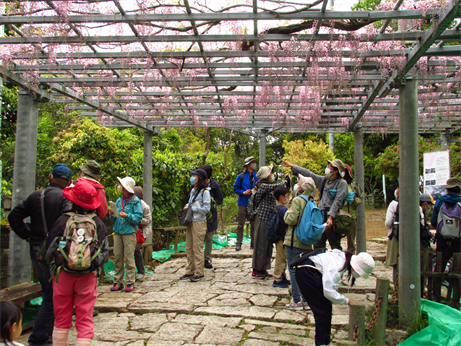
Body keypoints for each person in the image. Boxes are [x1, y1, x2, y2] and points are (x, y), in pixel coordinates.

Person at [8, 163, 72, 346]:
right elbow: (69, 222)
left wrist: (27, 235)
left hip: (36, 249)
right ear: (68, 182)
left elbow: (14, 216)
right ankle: (38, 338)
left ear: (51, 177)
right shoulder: (65, 198)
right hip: (57, 251)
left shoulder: (36, 196)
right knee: (53, 295)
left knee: (49, 291)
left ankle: (47, 332)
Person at [45, 180, 109, 346]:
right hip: (87, 277)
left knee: (61, 319)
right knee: (85, 319)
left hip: (63, 274)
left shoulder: (62, 221)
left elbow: (50, 249)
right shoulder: (98, 223)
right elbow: (105, 253)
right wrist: (92, 266)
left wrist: (54, 266)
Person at [294, 250, 375, 346]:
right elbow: (328, 291)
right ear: (355, 269)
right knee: (322, 310)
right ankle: (321, 343)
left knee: (326, 307)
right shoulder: (337, 268)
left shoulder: (344, 258)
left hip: (311, 271)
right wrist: (347, 301)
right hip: (306, 273)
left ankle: (326, 341)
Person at [282, 159, 348, 250]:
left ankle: (338, 263)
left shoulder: (342, 183)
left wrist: (331, 217)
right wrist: (292, 166)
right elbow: (309, 174)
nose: (327, 167)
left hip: (332, 217)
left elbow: (338, 200)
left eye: (330, 166)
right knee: (317, 243)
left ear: (336, 170)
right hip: (320, 215)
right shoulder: (324, 181)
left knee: (335, 245)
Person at [283, 174, 317, 310]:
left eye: (299, 183)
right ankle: (306, 299)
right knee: (305, 271)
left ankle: (296, 301)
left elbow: (291, 220)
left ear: (301, 187)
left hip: (295, 240)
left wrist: (286, 213)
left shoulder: (298, 200)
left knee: (293, 270)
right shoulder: (312, 201)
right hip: (307, 241)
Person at [252, 164, 290, 279]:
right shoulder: (262, 186)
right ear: (266, 175)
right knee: (260, 244)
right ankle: (256, 269)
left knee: (267, 245)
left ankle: (263, 268)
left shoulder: (267, 185)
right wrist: (284, 181)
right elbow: (274, 187)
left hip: (268, 218)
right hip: (261, 218)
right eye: (271, 173)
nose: (272, 175)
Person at [108, 177, 143, 292]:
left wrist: (127, 216)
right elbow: (114, 218)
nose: (121, 188)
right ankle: (118, 281)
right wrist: (112, 214)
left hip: (129, 232)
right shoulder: (119, 201)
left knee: (129, 258)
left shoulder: (135, 201)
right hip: (118, 232)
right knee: (117, 257)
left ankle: (130, 282)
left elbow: (138, 217)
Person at [431, 177, 461, 301]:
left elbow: (433, 222)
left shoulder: (439, 202)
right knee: (458, 271)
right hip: (459, 243)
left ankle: (435, 297)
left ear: (447, 190)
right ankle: (456, 299)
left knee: (439, 269)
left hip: (442, 242)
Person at [180, 168, 211, 282]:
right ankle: (190, 270)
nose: (192, 177)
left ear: (200, 178)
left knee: (197, 248)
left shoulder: (206, 192)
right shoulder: (193, 190)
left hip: (199, 222)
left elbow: (206, 209)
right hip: (190, 221)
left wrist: (193, 208)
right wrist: (187, 206)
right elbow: (190, 202)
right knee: (189, 247)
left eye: (195, 175)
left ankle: (199, 272)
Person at [199, 164, 224, 269]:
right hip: (199, 214)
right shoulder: (197, 184)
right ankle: (198, 259)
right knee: (199, 238)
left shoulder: (214, 184)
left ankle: (206, 259)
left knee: (209, 238)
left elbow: (220, 198)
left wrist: (213, 203)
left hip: (210, 216)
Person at [233, 156, 258, 251]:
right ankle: (238, 243)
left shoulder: (257, 176)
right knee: (240, 224)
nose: (254, 164)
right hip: (243, 202)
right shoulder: (241, 176)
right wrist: (243, 192)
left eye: (255, 162)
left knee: (253, 224)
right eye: (253, 162)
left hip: (254, 203)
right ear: (248, 165)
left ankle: (253, 243)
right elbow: (236, 189)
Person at [271, 186, 291, 288]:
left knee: (282, 257)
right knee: (281, 258)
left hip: (278, 236)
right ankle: (277, 278)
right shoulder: (283, 209)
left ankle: (282, 276)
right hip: (282, 237)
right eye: (287, 195)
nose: (288, 197)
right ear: (281, 197)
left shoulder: (277, 208)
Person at [342, 164, 364, 254]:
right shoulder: (336, 183)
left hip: (351, 215)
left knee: (351, 239)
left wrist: (353, 200)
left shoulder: (354, 185)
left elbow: (361, 199)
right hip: (339, 215)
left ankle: (351, 258)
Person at [133, 186, 153, 281]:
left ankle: (141, 272)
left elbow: (148, 220)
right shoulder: (129, 203)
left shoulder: (144, 206)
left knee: (136, 249)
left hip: (141, 232)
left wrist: (137, 219)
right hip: (131, 230)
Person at [385, 187, 399, 284]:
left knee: (396, 264)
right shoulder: (415, 203)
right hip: (412, 239)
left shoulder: (394, 204)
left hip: (396, 236)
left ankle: (396, 289)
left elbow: (388, 222)